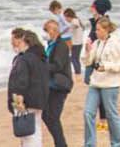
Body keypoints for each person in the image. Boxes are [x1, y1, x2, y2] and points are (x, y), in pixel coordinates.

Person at [83, 16, 120, 147]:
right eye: (95, 29)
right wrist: (87, 51)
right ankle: (89, 144)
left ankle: (117, 143)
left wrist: (107, 67)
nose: (96, 32)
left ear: (106, 30)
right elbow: (87, 62)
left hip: (111, 84)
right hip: (95, 82)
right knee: (88, 113)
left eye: (98, 29)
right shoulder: (97, 43)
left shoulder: (116, 43)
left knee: (111, 114)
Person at [8, 28, 49, 147]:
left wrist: (19, 98)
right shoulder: (40, 57)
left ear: (25, 43)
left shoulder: (25, 59)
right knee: (35, 130)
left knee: (27, 134)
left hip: (28, 100)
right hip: (39, 98)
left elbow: (22, 81)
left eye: (20, 42)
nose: (17, 45)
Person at [41, 19, 73, 147]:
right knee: (46, 115)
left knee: (53, 117)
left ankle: (61, 144)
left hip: (59, 85)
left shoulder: (61, 45)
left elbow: (58, 65)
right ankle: (60, 143)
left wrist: (41, 66)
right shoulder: (50, 44)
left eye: (47, 30)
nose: (45, 33)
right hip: (50, 85)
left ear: (54, 31)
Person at [49, 2, 84, 78]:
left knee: (72, 58)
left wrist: (61, 33)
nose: (54, 13)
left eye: (53, 11)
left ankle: (77, 73)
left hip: (71, 40)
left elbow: (72, 25)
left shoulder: (68, 18)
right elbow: (69, 27)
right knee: (73, 57)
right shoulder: (67, 18)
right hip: (72, 40)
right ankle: (77, 73)